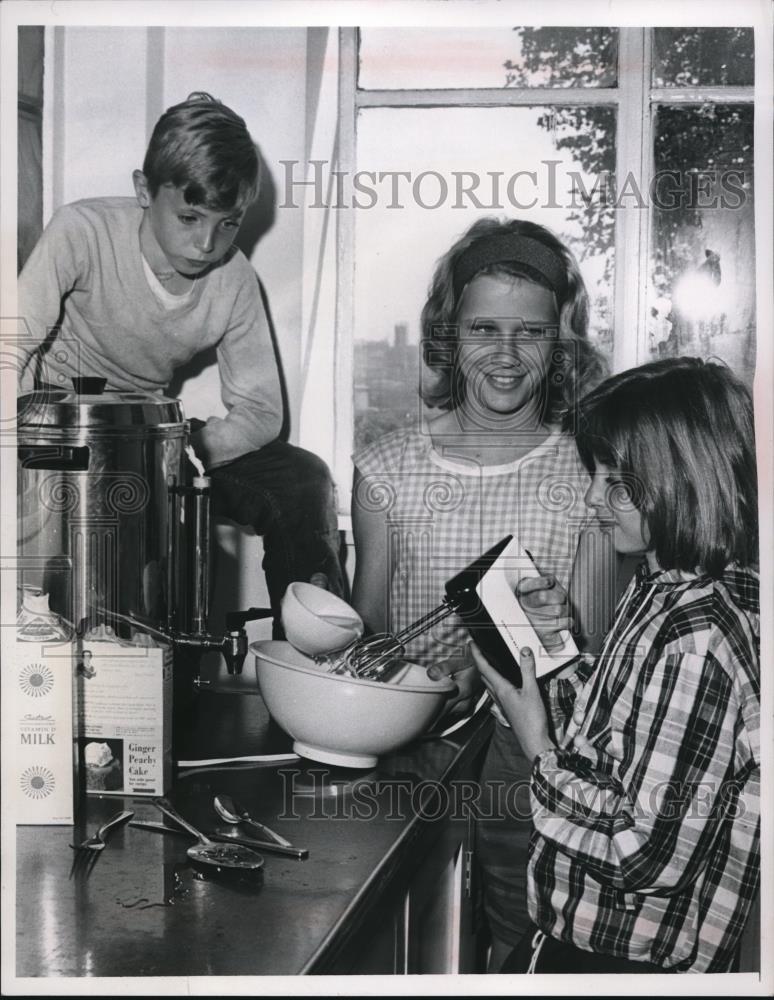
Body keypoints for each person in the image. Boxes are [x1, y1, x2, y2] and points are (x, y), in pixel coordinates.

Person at [351, 217, 613, 969]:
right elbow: (367, 635)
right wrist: (421, 686)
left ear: (559, 343)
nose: (505, 355)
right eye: (483, 329)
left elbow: (594, 655)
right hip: (403, 769)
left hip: (533, 774)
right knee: (397, 944)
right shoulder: (387, 470)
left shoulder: (588, 478)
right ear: (448, 332)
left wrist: (543, 642)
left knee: (516, 940)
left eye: (529, 332)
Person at [471, 357, 760, 974]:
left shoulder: (699, 642)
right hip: (583, 936)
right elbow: (617, 738)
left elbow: (647, 852)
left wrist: (536, 744)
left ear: (684, 482)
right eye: (595, 473)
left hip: (628, 964)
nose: (592, 496)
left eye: (617, 483)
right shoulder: (659, 584)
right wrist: (551, 653)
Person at [17, 92, 345, 633]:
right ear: (144, 190)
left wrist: (189, 449)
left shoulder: (235, 279)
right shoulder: (82, 230)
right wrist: (27, 437)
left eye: (228, 224)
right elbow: (13, 346)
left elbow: (262, 411)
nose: (206, 244)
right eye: (190, 217)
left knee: (303, 479)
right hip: (59, 420)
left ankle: (312, 662)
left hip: (152, 432)